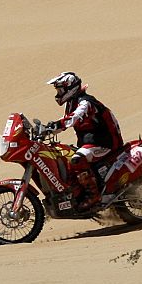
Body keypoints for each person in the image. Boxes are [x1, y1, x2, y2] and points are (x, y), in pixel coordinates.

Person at [46, 72, 123, 211]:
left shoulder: (85, 102)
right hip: (91, 143)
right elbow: (66, 122)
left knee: (77, 159)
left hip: (105, 142)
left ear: (70, 89)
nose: (58, 94)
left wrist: (56, 125)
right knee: (64, 156)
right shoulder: (72, 103)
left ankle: (93, 196)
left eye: (60, 90)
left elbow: (74, 118)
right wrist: (46, 131)